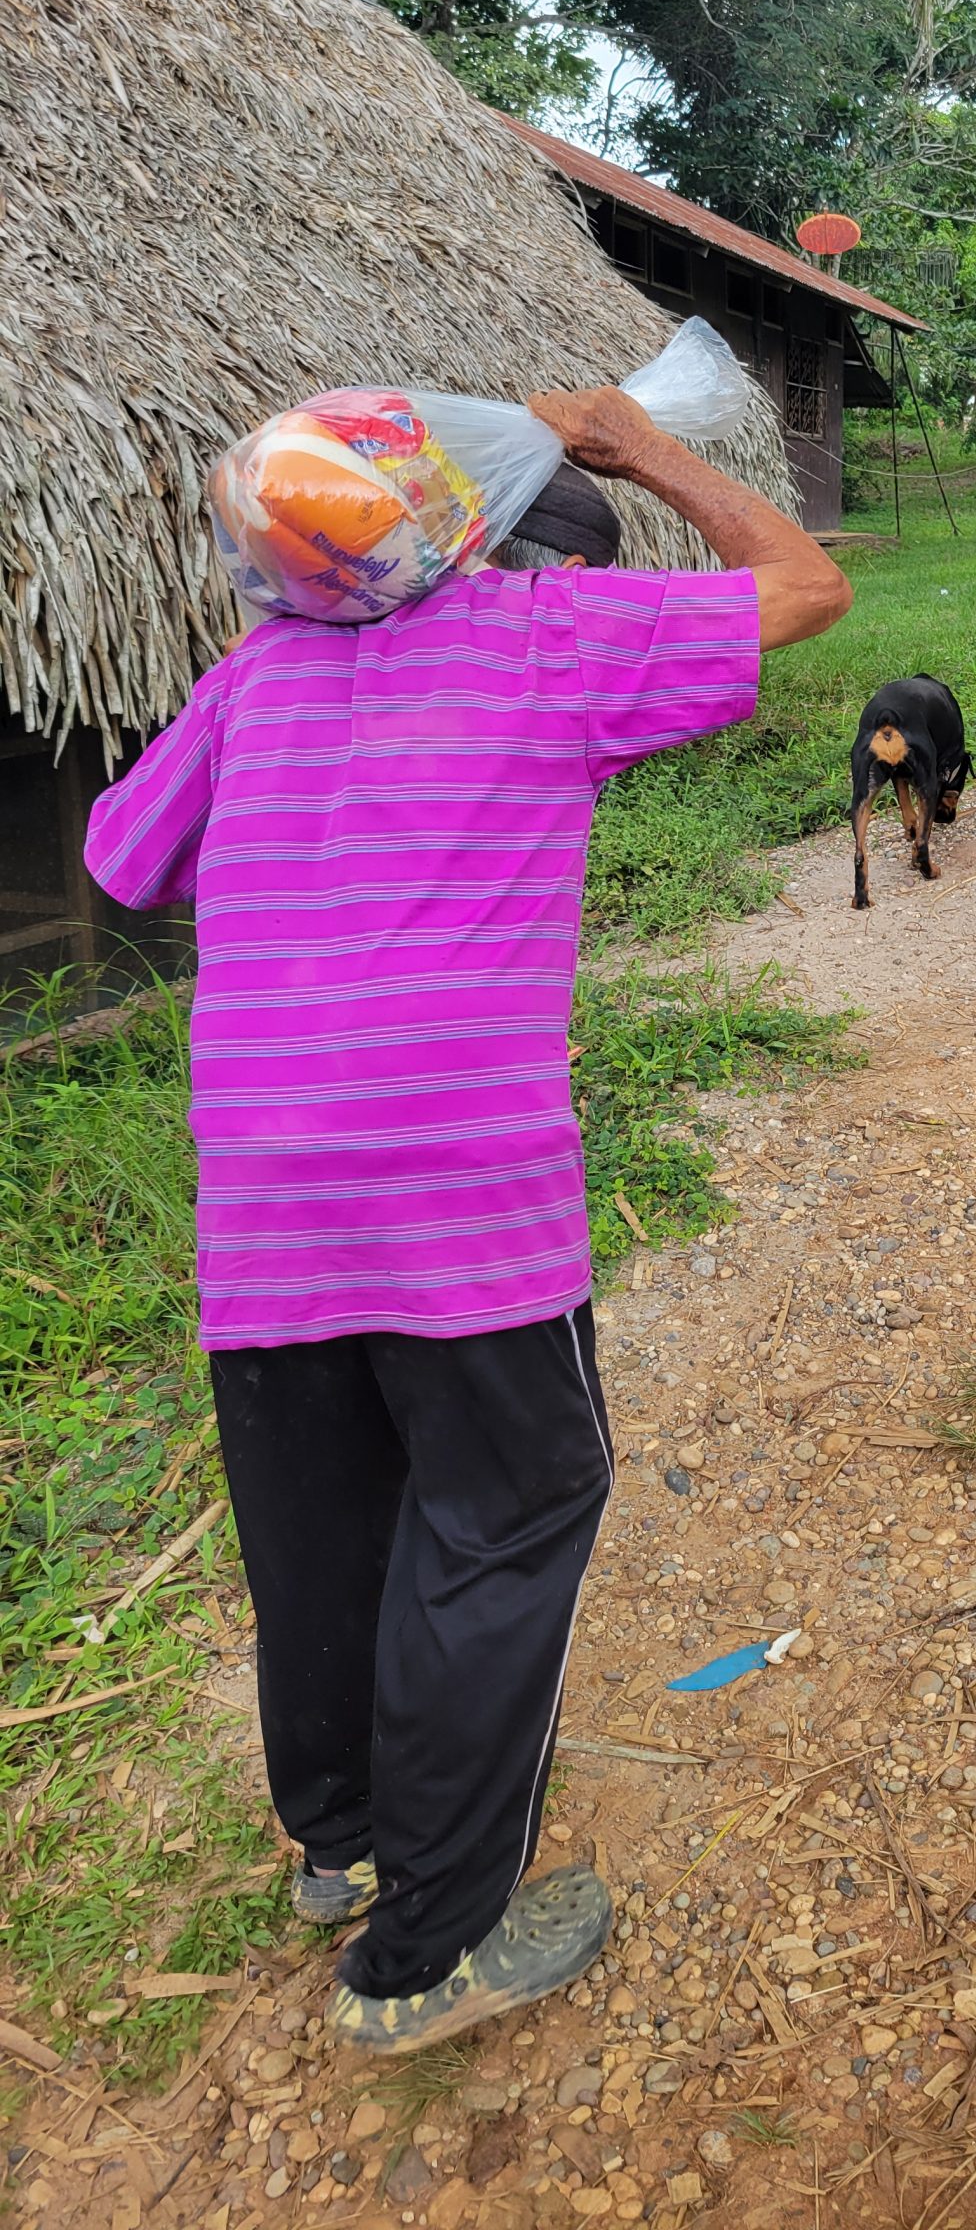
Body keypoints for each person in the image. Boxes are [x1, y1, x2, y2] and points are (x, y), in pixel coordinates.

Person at [84, 390, 851, 2052]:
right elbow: (802, 585)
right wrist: (641, 449)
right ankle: (428, 1953)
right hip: (464, 1206)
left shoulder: (248, 679)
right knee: (508, 1515)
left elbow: (122, 860)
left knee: (322, 1536)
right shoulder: (548, 636)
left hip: (270, 1217)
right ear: (456, 520)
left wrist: (274, 702)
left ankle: (342, 1845)